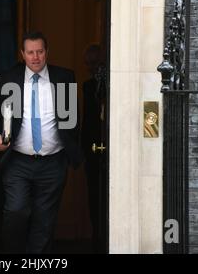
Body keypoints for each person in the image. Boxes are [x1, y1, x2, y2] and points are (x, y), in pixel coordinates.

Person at [0, 31, 82, 254]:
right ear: (23, 54)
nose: (35, 57)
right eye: (30, 52)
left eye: (40, 51)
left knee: (44, 221)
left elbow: (73, 118)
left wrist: (71, 147)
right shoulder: (7, 78)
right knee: (16, 212)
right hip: (18, 162)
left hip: (53, 162)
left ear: (46, 52)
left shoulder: (64, 76)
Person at [81, 44, 107, 254]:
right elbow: (86, 120)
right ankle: (96, 236)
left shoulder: (111, 85)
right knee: (93, 194)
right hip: (91, 146)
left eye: (95, 64)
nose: (91, 68)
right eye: (88, 64)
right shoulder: (87, 86)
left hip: (111, 146)